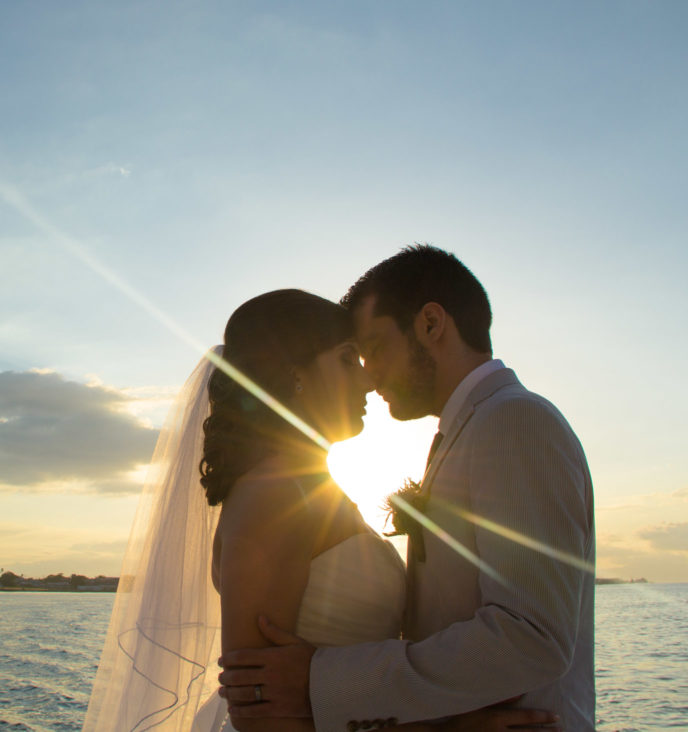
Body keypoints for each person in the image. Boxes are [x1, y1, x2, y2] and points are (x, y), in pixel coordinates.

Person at [83, 288, 558, 732]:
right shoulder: (274, 496)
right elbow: (257, 709)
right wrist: (442, 727)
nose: (369, 379)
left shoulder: (312, 488)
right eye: (348, 359)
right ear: (296, 375)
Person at [218, 247, 595, 730]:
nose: (369, 377)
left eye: (372, 349)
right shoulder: (464, 436)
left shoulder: (515, 421)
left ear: (432, 324)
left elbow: (532, 634)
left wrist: (319, 681)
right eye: (350, 359)